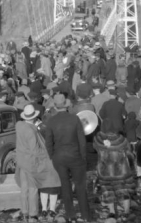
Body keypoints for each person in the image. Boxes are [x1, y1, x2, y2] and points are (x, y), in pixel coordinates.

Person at [45, 94, 92, 223]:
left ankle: (71, 215)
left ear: (55, 106)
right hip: (75, 155)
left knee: (65, 186)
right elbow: (81, 140)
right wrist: (83, 156)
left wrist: (52, 156)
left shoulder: (51, 121)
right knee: (80, 186)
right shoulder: (75, 119)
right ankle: (85, 215)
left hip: (59, 157)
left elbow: (48, 142)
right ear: (66, 105)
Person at [15, 104, 60, 223]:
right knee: (33, 189)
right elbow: (35, 151)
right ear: (34, 117)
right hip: (31, 163)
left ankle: (24, 212)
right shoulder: (31, 132)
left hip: (21, 161)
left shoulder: (19, 125)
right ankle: (33, 214)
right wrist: (47, 154)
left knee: (24, 189)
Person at [93, 118, 136, 219]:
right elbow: (128, 151)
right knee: (124, 190)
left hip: (104, 171)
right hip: (120, 171)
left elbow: (95, 148)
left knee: (108, 191)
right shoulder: (121, 139)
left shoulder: (98, 139)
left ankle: (112, 211)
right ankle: (126, 211)